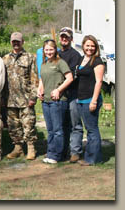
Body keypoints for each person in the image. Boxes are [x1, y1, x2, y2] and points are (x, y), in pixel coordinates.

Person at [2, 32, 39, 160]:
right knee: (13, 126)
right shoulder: (5, 59)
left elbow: (35, 79)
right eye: (14, 41)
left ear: (23, 42)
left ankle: (31, 148)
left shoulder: (30, 57)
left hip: (25, 98)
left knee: (28, 124)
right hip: (10, 99)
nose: (16, 43)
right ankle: (18, 148)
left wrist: (33, 97)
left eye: (18, 41)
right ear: (11, 42)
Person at [37, 39, 73, 164]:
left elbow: (69, 78)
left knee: (58, 130)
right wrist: (39, 90)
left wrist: (58, 90)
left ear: (55, 50)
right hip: (45, 101)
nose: (48, 52)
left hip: (57, 101)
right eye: (46, 50)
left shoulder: (60, 63)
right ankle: (51, 153)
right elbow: (42, 79)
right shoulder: (44, 64)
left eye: (51, 49)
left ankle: (58, 155)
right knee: (50, 129)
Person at [76, 35, 105, 166]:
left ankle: (93, 158)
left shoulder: (97, 61)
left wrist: (93, 101)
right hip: (81, 99)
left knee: (92, 129)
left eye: (92, 46)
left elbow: (99, 82)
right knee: (89, 128)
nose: (90, 48)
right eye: (87, 45)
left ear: (96, 47)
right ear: (83, 46)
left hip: (90, 99)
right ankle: (90, 156)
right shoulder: (83, 59)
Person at [58, 27, 84, 162]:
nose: (64, 39)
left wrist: (60, 87)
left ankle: (75, 151)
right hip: (60, 95)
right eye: (62, 36)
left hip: (73, 94)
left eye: (66, 37)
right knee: (62, 124)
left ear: (71, 39)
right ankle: (62, 151)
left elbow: (72, 76)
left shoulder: (75, 55)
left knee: (75, 124)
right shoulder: (55, 54)